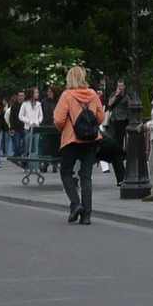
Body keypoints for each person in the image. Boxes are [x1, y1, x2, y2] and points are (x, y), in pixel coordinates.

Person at [52, 65, 105, 225]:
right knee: (86, 176)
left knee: (66, 172)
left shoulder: (67, 95)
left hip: (71, 140)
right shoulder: (93, 95)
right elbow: (101, 117)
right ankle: (87, 215)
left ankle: (75, 204)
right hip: (91, 140)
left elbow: (59, 119)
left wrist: (65, 128)